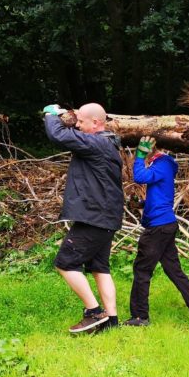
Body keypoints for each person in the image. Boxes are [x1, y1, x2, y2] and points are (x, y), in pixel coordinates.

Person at [43, 103, 123, 334]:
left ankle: (94, 312)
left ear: (96, 123)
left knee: (65, 263)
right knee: (100, 267)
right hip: (104, 217)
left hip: (94, 217)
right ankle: (111, 320)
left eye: (81, 122)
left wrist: (51, 115)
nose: (77, 126)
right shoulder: (106, 143)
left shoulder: (97, 143)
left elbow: (58, 135)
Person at [124, 136, 189, 326]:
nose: (144, 149)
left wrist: (139, 156)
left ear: (154, 147)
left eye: (146, 146)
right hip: (165, 224)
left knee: (142, 270)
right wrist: (142, 204)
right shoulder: (165, 165)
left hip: (158, 227)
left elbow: (140, 177)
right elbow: (161, 194)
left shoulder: (161, 163)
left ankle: (140, 317)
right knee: (174, 271)